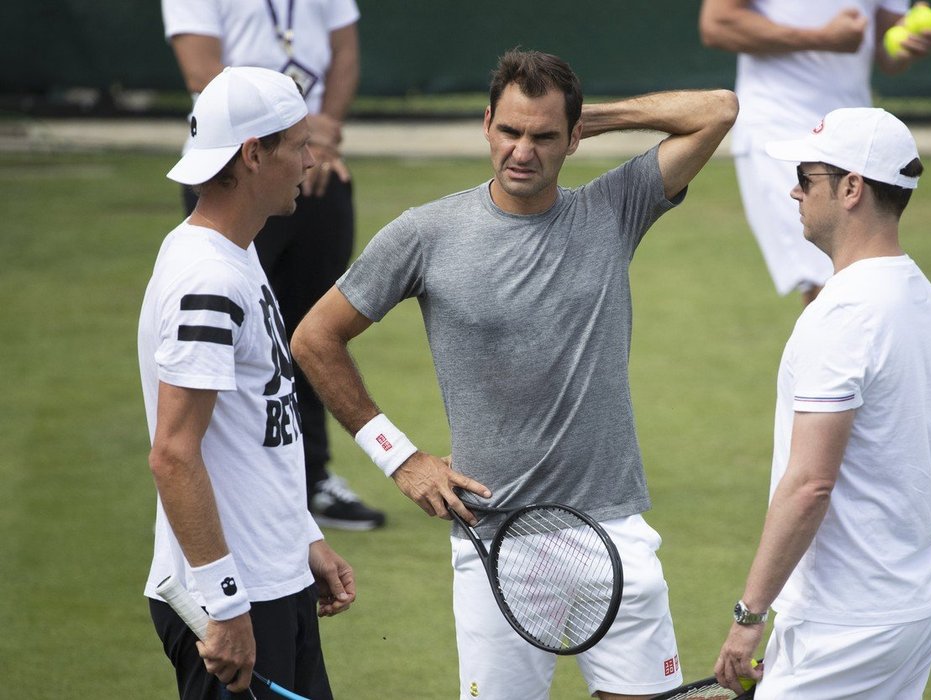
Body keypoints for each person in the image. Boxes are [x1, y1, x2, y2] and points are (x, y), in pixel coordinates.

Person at [291, 49, 738, 700]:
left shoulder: (615, 209)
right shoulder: (426, 234)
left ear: (572, 138)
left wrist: (590, 118)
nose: (522, 150)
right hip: (496, 546)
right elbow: (314, 338)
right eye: (509, 130)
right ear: (486, 125)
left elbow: (716, 111)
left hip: (615, 536)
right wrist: (401, 458)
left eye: (544, 135)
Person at [698, 0, 931, 521]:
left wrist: (903, 45)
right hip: (781, 129)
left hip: (856, 135)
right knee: (833, 291)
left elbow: (883, 46)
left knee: (865, 278)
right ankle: (853, 475)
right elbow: (718, 23)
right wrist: (822, 38)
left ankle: (876, 470)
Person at [714, 107, 931, 698]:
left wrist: (749, 617)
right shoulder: (916, 293)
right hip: (911, 608)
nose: (795, 191)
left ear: (852, 189)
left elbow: (810, 483)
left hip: (846, 626)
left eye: (807, 176)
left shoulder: (843, 315)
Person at [138, 66, 355, 699]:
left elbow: (258, 426)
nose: (312, 161)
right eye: (297, 144)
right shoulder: (207, 278)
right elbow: (173, 454)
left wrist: (303, 538)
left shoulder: (238, 252)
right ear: (253, 155)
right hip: (235, 598)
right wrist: (226, 604)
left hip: (271, 577)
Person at [161, 0, 386, 530]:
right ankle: (219, 483)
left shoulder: (307, 154)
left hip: (306, 154)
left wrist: (317, 137)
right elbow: (201, 70)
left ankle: (309, 477)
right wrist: (282, 135)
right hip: (242, 159)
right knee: (236, 340)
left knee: (311, 328)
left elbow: (345, 51)